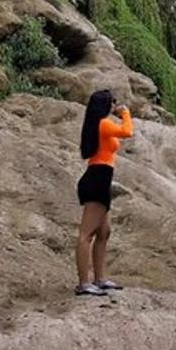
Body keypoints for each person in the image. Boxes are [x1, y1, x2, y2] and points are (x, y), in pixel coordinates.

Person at [74, 89, 133, 296]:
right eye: (112, 102)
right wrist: (125, 113)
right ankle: (83, 283)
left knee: (104, 232)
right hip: (97, 179)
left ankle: (99, 279)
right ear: (105, 105)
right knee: (85, 234)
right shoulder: (104, 124)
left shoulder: (97, 124)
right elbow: (127, 132)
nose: (114, 106)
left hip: (100, 178)